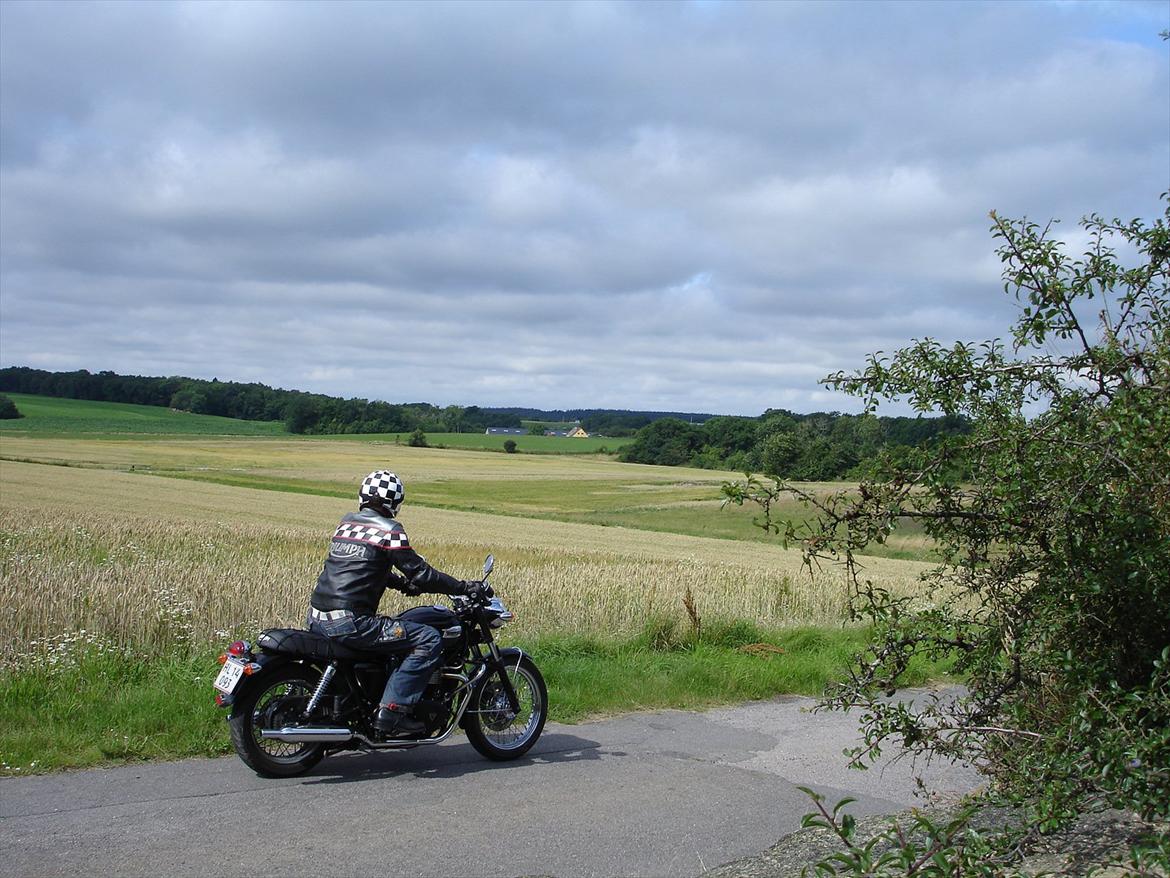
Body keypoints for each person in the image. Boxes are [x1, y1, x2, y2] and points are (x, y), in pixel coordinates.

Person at [307, 469, 476, 735]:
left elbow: (366, 567)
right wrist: (462, 587)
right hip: (351, 623)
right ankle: (393, 712)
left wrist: (402, 585)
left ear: (362, 495)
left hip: (317, 618)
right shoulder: (390, 530)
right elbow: (421, 573)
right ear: (394, 502)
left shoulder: (346, 524)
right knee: (428, 638)